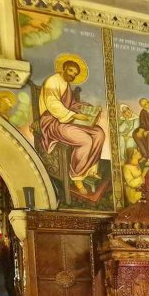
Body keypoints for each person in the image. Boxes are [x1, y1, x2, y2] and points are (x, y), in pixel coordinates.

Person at [38, 56, 106, 195]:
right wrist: (74, 115)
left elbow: (72, 104)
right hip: (52, 122)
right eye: (70, 71)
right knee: (85, 140)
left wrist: (88, 108)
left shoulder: (66, 84)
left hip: (66, 119)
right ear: (64, 69)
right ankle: (77, 176)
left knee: (99, 134)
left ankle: (88, 169)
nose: (72, 75)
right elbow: (53, 105)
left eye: (74, 74)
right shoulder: (53, 81)